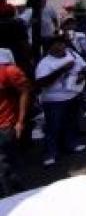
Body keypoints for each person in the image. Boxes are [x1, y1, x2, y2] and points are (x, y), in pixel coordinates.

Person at [35, 34, 86, 166]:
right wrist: (62, 69)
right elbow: (41, 82)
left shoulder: (71, 54)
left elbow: (83, 67)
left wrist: (81, 75)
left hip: (72, 95)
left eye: (62, 43)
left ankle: (71, 145)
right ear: (49, 47)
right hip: (54, 101)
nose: (61, 46)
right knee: (53, 127)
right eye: (57, 44)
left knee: (71, 123)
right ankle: (50, 154)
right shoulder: (45, 63)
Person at [0, 48, 29, 195]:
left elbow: (24, 90)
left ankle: (12, 197)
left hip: (5, 127)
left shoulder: (9, 70)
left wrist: (20, 121)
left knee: (6, 166)